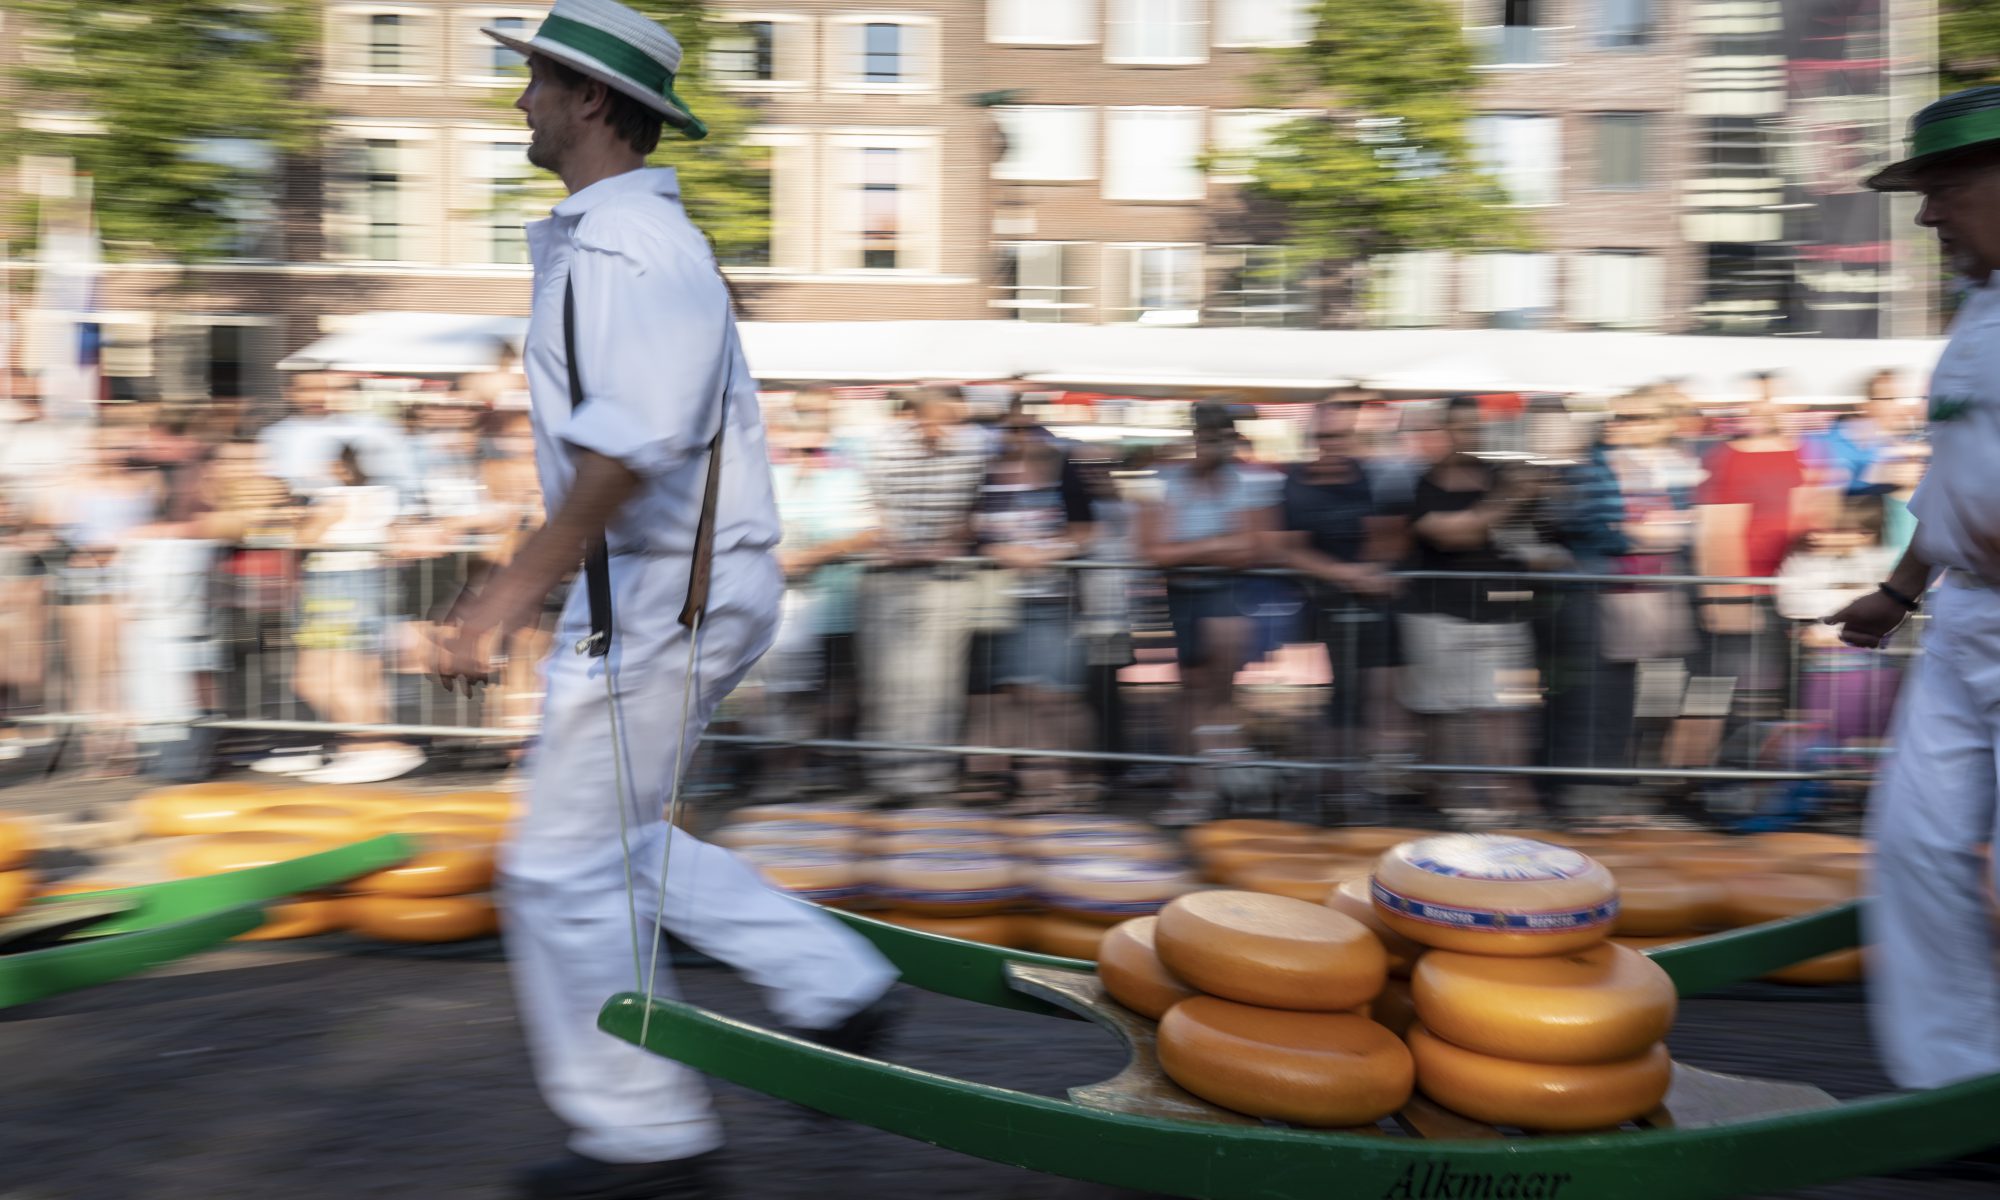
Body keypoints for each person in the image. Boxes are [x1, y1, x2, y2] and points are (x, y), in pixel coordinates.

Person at [433, 5, 897, 1196]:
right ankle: (832, 982)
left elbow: (624, 451)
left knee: (555, 872)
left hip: (658, 604)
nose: (519, 99)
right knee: (615, 843)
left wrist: (502, 600)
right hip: (668, 595)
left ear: (590, 102)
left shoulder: (626, 252)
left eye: (535, 79)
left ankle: (647, 1143)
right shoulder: (623, 244)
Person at [1824, 84, 2000, 1097]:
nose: (1926, 213)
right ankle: (1957, 1096)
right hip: (1965, 618)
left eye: (1946, 187)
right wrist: (1896, 590)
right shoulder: (1976, 307)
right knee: (1916, 848)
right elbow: (1951, 476)